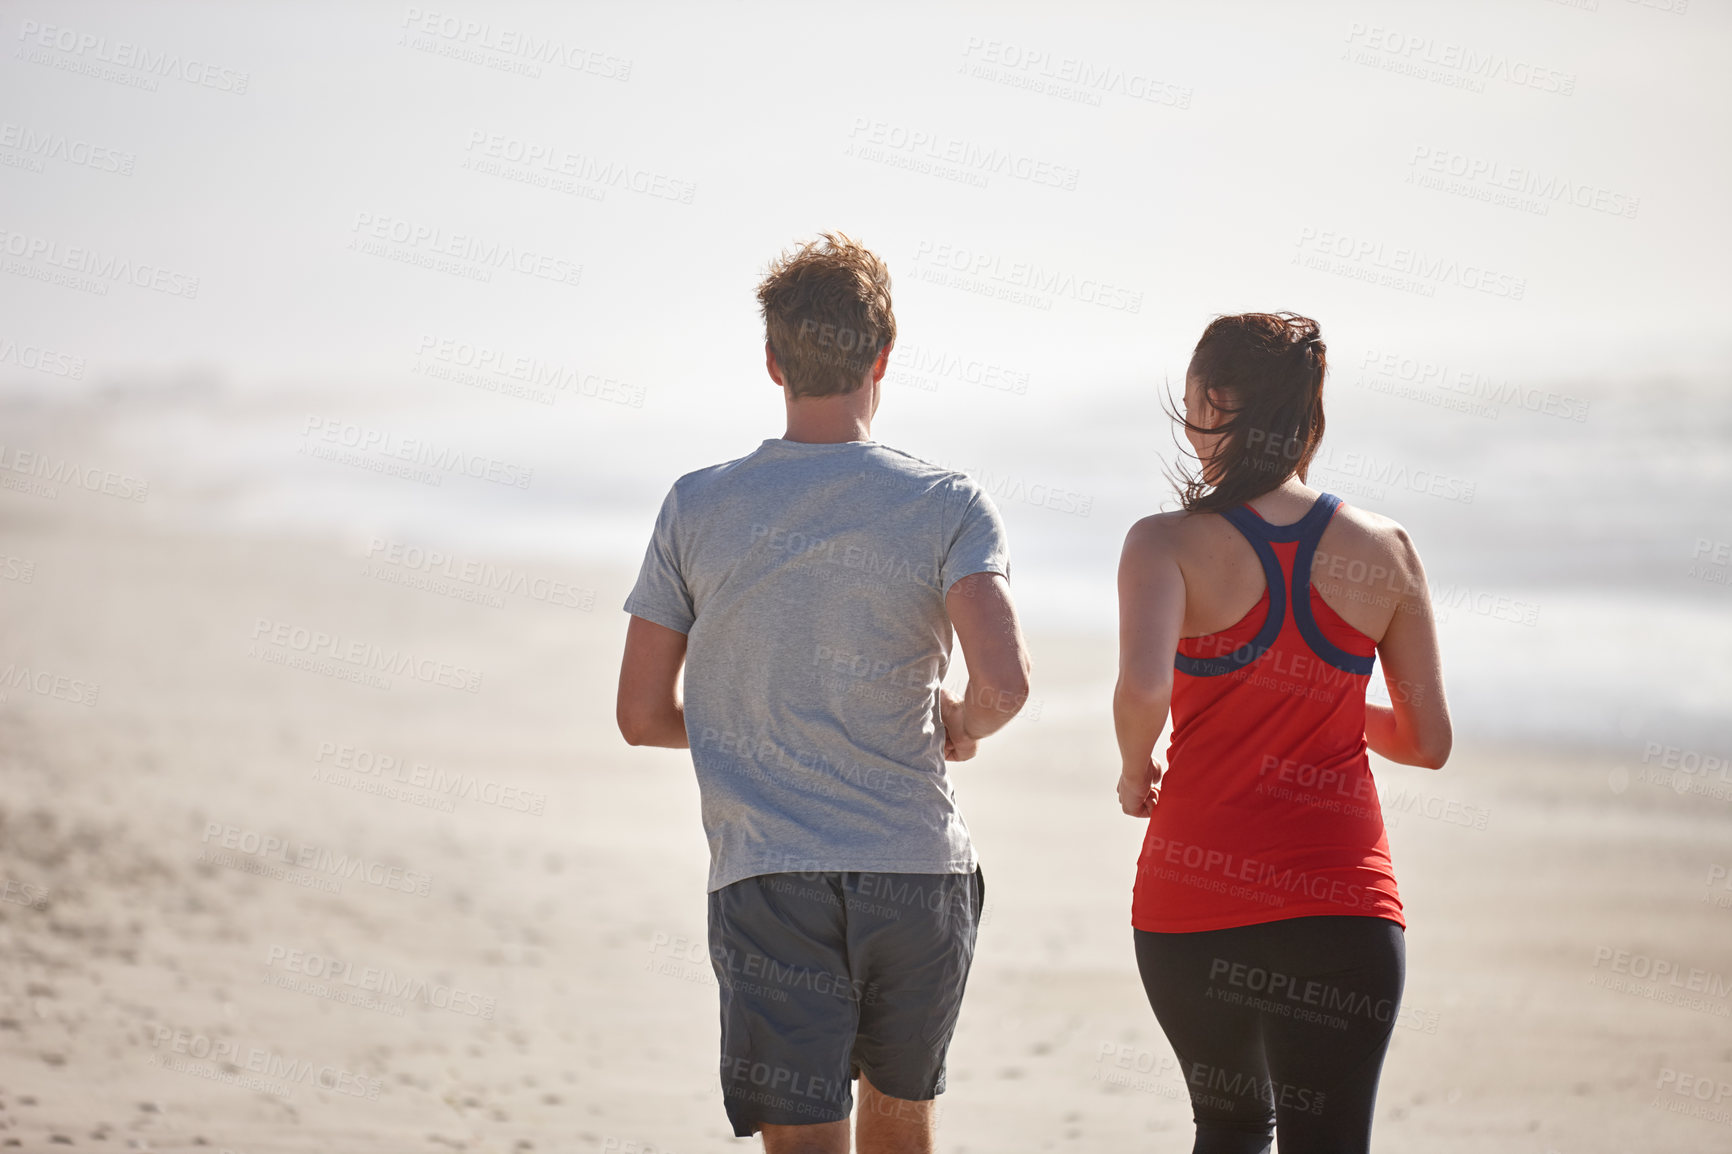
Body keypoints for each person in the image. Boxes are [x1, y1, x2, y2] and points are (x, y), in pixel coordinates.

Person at [616, 232, 1032, 1154]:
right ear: (884, 356)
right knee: (902, 1128)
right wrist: (958, 723)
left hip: (771, 874)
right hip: (916, 872)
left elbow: (640, 715)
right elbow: (1003, 684)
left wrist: (755, 719)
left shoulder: (697, 503)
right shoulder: (948, 502)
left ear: (773, 361)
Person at [1113, 312, 1452, 1154]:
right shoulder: (1386, 549)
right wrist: (1329, 701)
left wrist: (1133, 768)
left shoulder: (1163, 544)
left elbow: (1146, 685)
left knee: (1228, 1128)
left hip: (1194, 902)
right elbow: (1427, 740)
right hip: (1344, 904)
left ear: (1215, 401)